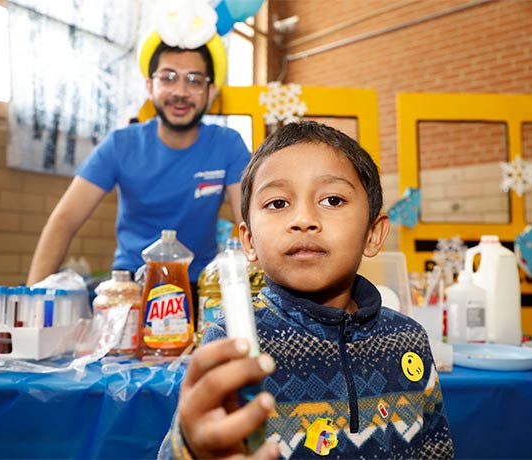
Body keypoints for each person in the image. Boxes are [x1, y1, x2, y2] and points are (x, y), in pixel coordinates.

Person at [159, 121, 454, 459]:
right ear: (250, 241)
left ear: (373, 233)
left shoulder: (408, 339)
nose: (303, 218)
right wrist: (194, 450)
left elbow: (437, 451)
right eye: (278, 203)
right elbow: (195, 444)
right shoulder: (232, 345)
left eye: (332, 199)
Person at [26, 27, 251, 314]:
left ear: (211, 90)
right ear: (150, 86)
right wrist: (32, 305)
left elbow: (252, 224)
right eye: (168, 78)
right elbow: (64, 221)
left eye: (194, 80)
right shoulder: (121, 145)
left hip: (201, 290)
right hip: (130, 290)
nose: (180, 92)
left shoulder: (227, 145)